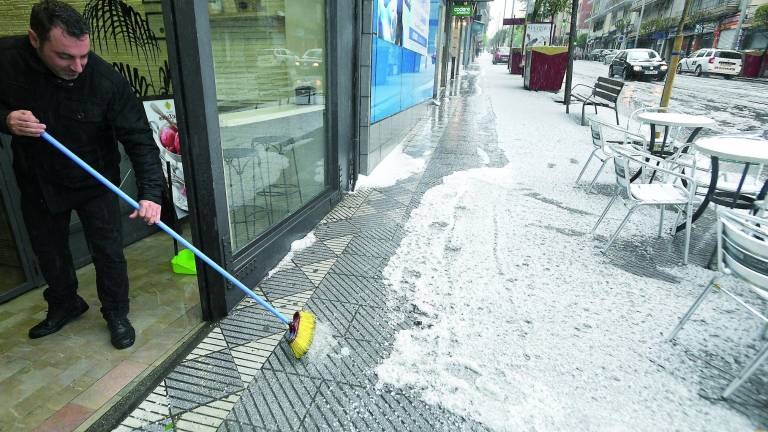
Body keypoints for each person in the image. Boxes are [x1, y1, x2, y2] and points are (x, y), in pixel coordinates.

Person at [0, 0, 164, 349]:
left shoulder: (106, 81)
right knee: (49, 252)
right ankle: (65, 303)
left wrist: (150, 194)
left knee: (108, 252)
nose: (77, 66)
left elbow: (139, 138)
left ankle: (116, 313)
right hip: (37, 180)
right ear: (34, 39)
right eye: (64, 57)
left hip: (95, 182)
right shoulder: (6, 59)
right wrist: (6, 120)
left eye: (84, 56)